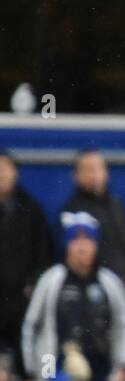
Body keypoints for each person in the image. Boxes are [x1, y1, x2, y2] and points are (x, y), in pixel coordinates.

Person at [21, 213, 125, 381]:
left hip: (100, 370)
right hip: (55, 366)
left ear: (95, 245)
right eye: (75, 240)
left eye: (87, 240)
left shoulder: (110, 283)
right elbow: (32, 326)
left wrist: (120, 367)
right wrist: (36, 374)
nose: (82, 247)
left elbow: (122, 325)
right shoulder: (52, 280)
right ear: (67, 245)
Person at [59, 149, 125, 333]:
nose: (94, 174)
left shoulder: (115, 205)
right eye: (87, 169)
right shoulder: (72, 214)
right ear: (75, 175)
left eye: (98, 168)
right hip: (98, 305)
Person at [0, 152, 56, 360]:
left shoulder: (30, 210)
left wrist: (34, 283)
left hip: (21, 302)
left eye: (5, 169)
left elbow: (43, 253)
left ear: (15, 173)